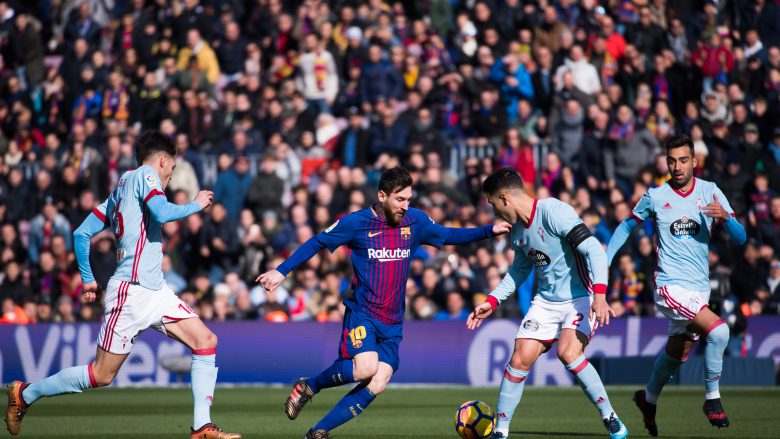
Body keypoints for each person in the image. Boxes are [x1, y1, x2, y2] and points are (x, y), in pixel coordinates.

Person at [4, 131, 241, 439]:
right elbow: (163, 212)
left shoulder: (119, 189)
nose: (169, 177)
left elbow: (80, 234)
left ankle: (202, 427)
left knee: (206, 340)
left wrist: (88, 279)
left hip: (156, 291)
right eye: (170, 170)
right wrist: (195, 205)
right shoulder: (146, 175)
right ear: (163, 160)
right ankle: (25, 394)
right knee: (101, 375)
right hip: (131, 292)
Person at [256, 167, 510, 439]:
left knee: (378, 381)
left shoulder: (415, 222)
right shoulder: (356, 223)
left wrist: (489, 231)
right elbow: (318, 242)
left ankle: (318, 431)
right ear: (382, 195)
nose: (405, 206)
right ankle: (310, 386)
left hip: (393, 321)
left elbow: (449, 235)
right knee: (365, 368)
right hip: (363, 312)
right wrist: (282, 270)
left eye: (409, 199)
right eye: (400, 199)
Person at [468, 168, 628, 439]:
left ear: (505, 198)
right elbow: (519, 270)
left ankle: (609, 415)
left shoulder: (554, 211)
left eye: (493, 204)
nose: (494, 211)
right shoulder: (517, 230)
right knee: (518, 359)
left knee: (568, 353)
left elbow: (593, 251)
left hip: (580, 297)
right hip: (545, 302)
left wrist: (600, 297)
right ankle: (501, 431)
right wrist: (492, 300)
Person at [606, 134, 747, 436]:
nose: (677, 166)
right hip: (669, 286)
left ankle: (648, 398)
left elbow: (741, 238)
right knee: (720, 330)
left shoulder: (710, 192)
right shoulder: (656, 196)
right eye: (672, 160)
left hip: (699, 287)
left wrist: (727, 219)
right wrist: (603, 263)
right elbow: (626, 226)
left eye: (683, 160)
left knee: (677, 351)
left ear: (695, 161)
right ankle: (712, 399)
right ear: (666, 161)